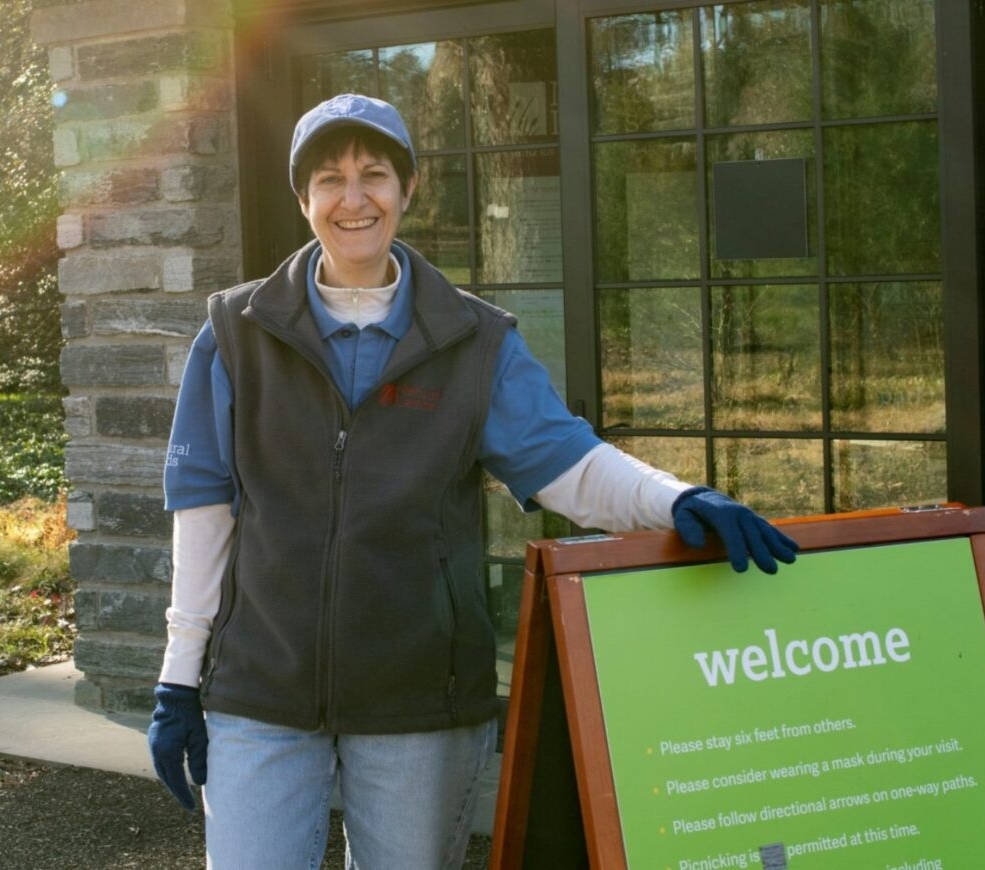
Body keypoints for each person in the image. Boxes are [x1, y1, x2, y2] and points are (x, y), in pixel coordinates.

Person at [145, 93, 799, 869]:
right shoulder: (236, 334)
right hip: (261, 692)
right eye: (329, 179)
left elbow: (572, 465)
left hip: (421, 697)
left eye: (375, 174)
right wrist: (178, 680)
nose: (353, 199)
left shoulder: (472, 340)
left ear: (409, 189)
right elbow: (205, 515)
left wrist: (680, 497)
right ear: (303, 198)